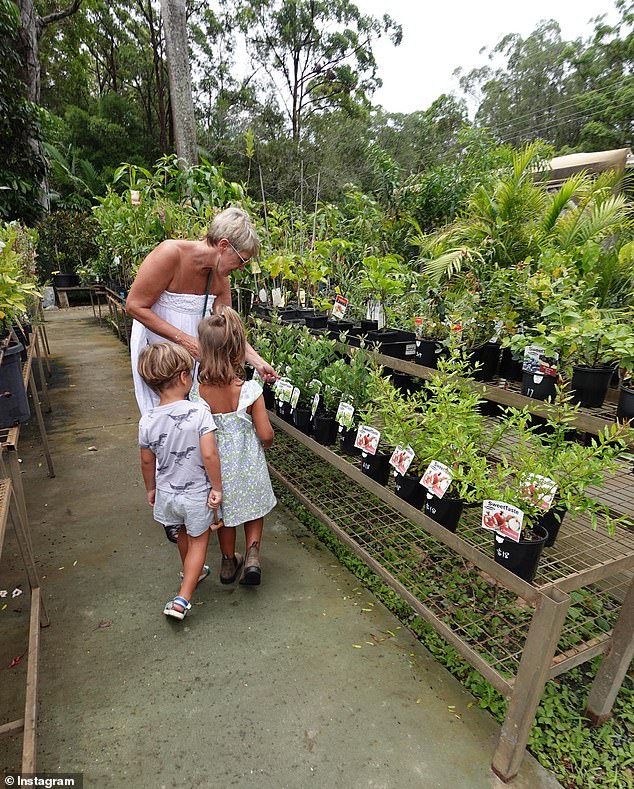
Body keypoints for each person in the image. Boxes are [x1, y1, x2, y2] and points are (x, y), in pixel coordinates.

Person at [126, 206, 277, 415]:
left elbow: (228, 329)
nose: (242, 268)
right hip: (161, 356)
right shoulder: (170, 254)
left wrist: (257, 362)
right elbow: (134, 305)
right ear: (223, 245)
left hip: (197, 359)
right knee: (164, 420)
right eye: (242, 260)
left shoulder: (220, 277)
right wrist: (185, 340)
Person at [137, 342, 223, 620]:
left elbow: (147, 461)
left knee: (183, 534)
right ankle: (182, 599)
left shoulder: (147, 419)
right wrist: (217, 487)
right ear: (184, 377)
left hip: (167, 493)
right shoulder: (199, 412)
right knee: (199, 540)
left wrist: (151, 489)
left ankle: (192, 573)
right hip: (195, 493)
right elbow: (209, 454)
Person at [197, 306, 276, 586]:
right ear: (237, 351)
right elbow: (265, 434)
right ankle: (252, 556)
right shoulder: (250, 391)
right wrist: (266, 443)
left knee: (226, 514)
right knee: (253, 510)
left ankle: (228, 561)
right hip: (249, 463)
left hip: (218, 470)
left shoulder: (198, 393)